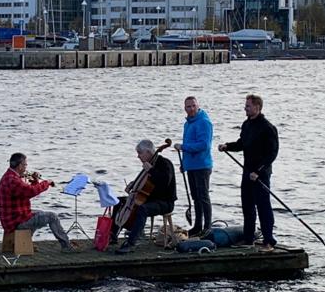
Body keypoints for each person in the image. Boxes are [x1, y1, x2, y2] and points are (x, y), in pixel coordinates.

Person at [219, 94, 279, 251]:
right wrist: (227, 146)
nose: (245, 108)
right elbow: (241, 144)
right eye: (245, 106)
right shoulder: (246, 125)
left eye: (248, 106)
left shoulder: (268, 128)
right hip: (247, 172)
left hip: (261, 174)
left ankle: (269, 241)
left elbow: (272, 154)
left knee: (263, 207)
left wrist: (258, 171)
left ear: (257, 107)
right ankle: (248, 238)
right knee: (247, 206)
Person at [0, 153, 76, 251]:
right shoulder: (13, 180)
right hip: (15, 221)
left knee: (40, 213)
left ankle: (24, 243)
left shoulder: (9, 176)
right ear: (20, 165)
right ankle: (66, 246)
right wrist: (46, 183)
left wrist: (35, 181)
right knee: (52, 216)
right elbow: (31, 191)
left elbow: (26, 193)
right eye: (25, 165)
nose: (26, 168)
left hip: (13, 218)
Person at [115, 139, 177, 254]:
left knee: (142, 209)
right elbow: (145, 183)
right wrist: (133, 184)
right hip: (150, 199)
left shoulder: (164, 163)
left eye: (140, 153)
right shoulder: (149, 164)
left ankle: (131, 243)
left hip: (165, 202)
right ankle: (112, 236)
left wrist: (151, 170)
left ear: (148, 152)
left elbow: (164, 183)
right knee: (118, 201)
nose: (138, 156)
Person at [174, 96, 214, 237]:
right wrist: (184, 164)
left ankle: (207, 226)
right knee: (195, 197)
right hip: (191, 166)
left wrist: (183, 147)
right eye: (188, 107)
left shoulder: (204, 122)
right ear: (184, 108)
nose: (191, 109)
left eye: (193, 106)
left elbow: (204, 145)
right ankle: (197, 226)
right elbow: (190, 144)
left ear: (198, 106)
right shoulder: (188, 124)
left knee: (203, 196)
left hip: (202, 165)